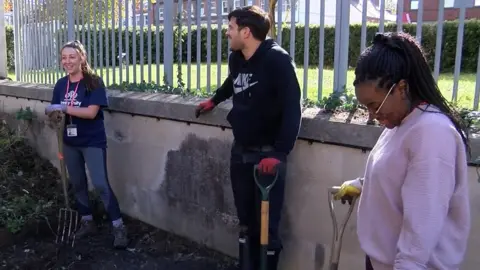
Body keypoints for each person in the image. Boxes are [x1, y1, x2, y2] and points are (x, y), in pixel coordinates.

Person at [334, 32, 471, 270]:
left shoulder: (431, 133)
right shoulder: (402, 121)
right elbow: (402, 174)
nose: (372, 115)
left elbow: (423, 222)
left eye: (374, 105)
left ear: (402, 88)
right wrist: (364, 184)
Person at [195, 5, 301, 270]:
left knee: (268, 226)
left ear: (246, 31)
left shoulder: (277, 60)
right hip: (240, 152)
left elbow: (292, 107)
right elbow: (234, 81)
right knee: (246, 223)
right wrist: (215, 99)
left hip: (269, 156)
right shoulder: (237, 58)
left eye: (230, 28)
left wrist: (279, 153)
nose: (227, 33)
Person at [44, 40, 128, 249]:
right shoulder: (61, 84)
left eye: (72, 57)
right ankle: (87, 221)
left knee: (100, 184)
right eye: (64, 57)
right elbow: (56, 112)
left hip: (91, 141)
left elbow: (91, 113)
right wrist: (53, 115)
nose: (67, 61)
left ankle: (118, 227)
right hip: (69, 142)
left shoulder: (93, 82)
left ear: (82, 57)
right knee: (78, 183)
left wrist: (63, 107)